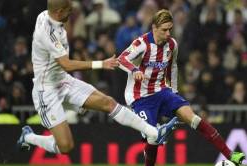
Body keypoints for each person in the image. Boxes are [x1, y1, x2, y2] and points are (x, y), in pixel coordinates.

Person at [17, 0, 177, 155]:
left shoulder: (47, 15)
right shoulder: (47, 32)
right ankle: (29, 137)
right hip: (46, 91)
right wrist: (101, 63)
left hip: (63, 81)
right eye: (68, 9)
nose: (71, 11)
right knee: (65, 147)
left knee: (108, 102)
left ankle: (154, 132)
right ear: (59, 12)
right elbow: (66, 64)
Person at [118, 9, 245, 166]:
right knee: (153, 136)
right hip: (139, 97)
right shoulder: (141, 44)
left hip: (162, 91)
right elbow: (121, 59)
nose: (168, 33)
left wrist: (174, 91)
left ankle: (230, 154)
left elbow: (173, 67)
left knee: (194, 118)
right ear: (154, 27)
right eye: (164, 30)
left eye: (170, 29)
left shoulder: (172, 45)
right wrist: (134, 70)